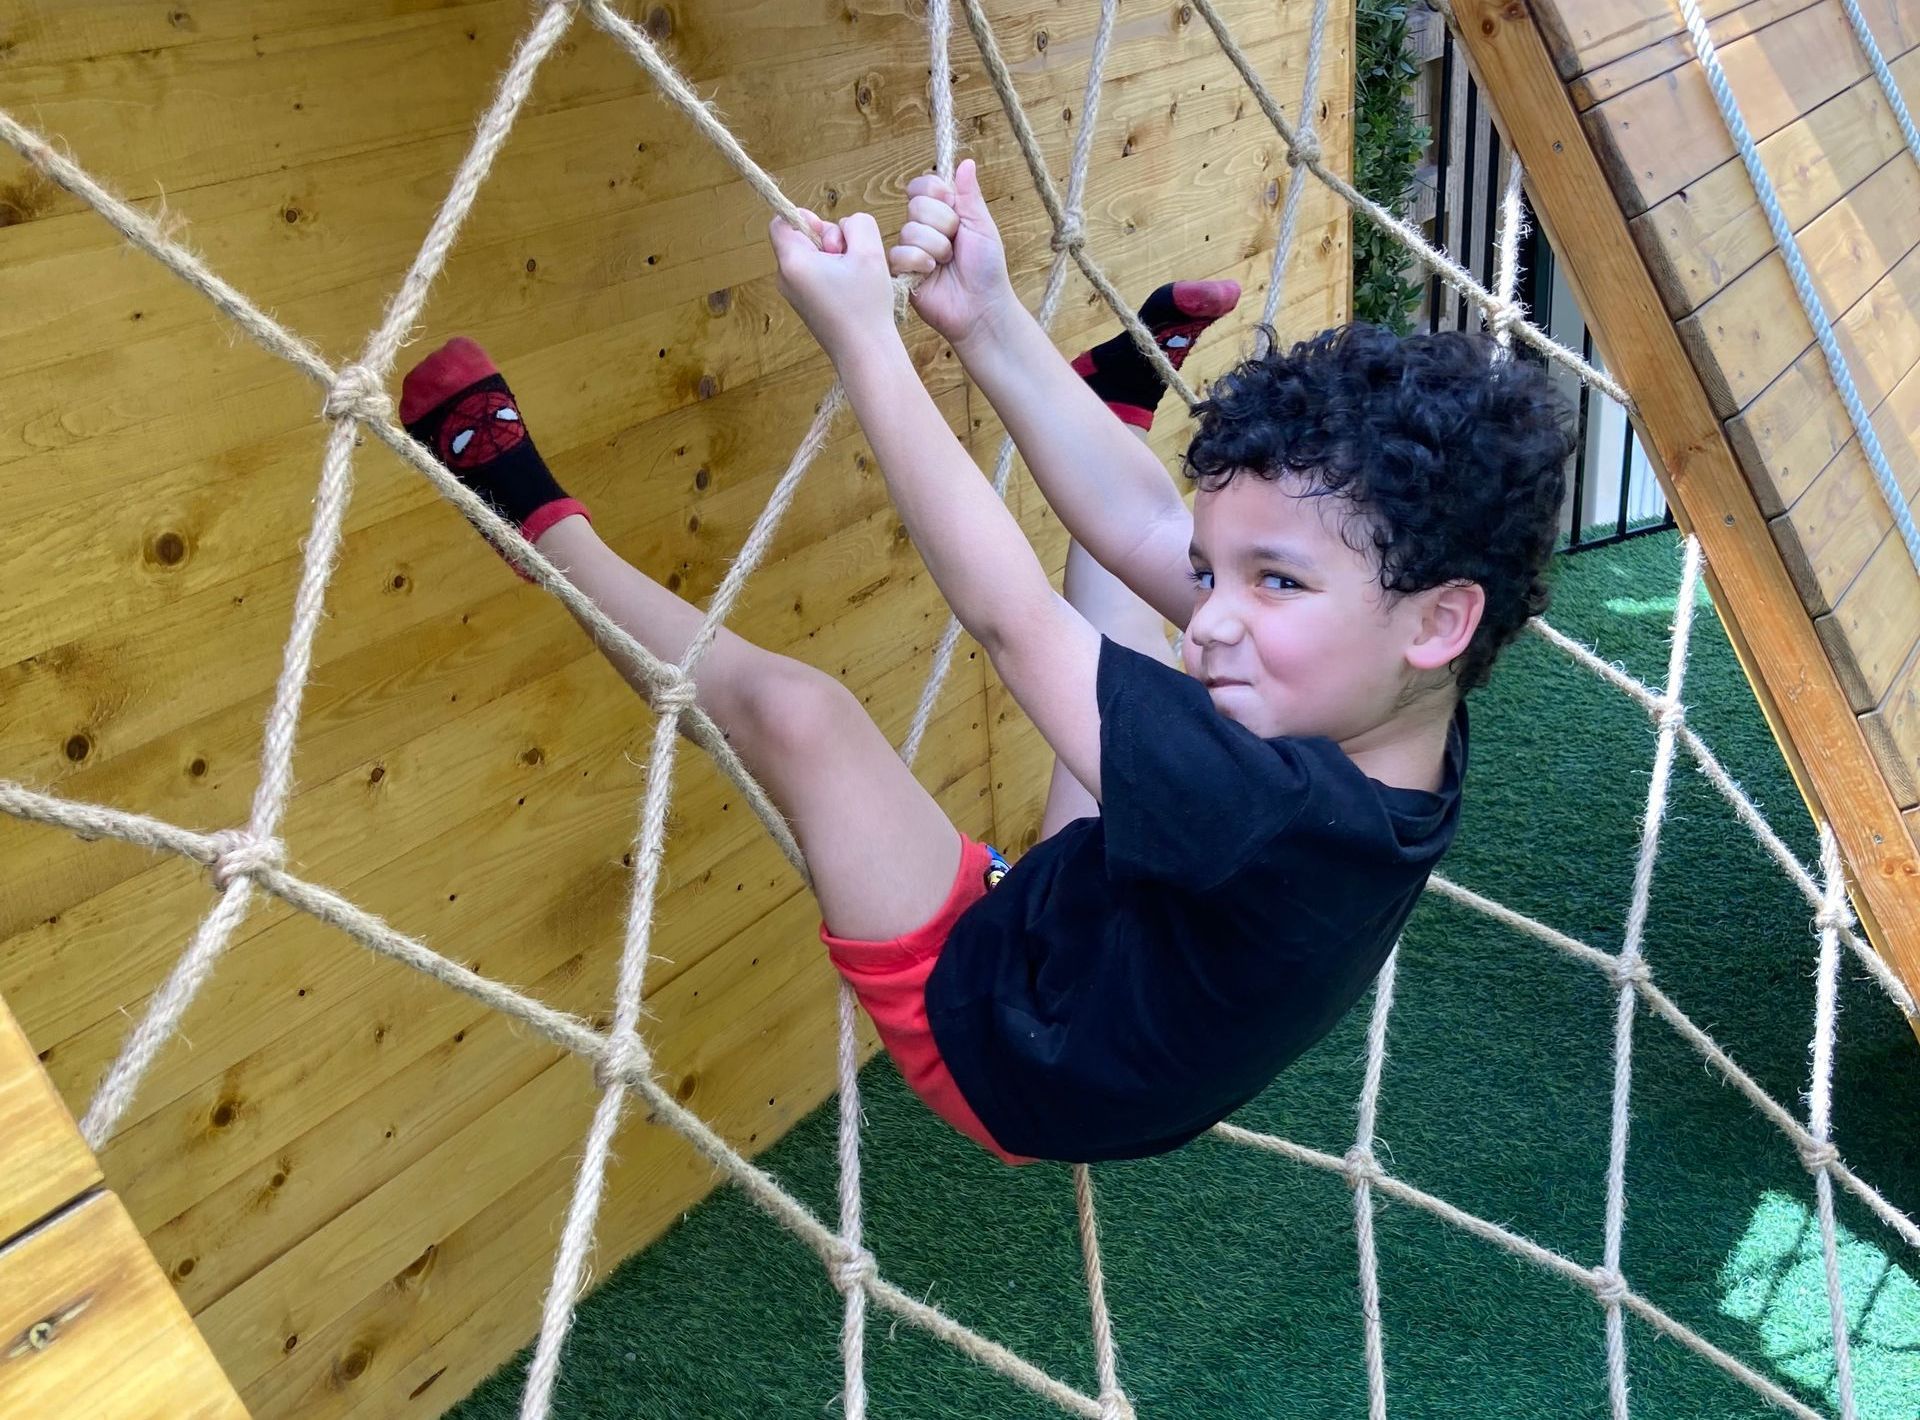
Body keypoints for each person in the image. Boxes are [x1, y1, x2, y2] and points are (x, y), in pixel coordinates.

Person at [397, 156, 1574, 1165]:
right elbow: (1145, 534)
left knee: (807, 715)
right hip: (1108, 916)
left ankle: (539, 531)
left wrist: (869, 336)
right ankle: (1102, 405)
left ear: (1436, 619)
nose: (1217, 612)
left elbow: (1011, 618)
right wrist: (986, 321)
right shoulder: (1408, 692)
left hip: (1003, 1032)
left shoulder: (1275, 814)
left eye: (1275, 580)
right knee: (1140, 614)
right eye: (1224, 571)